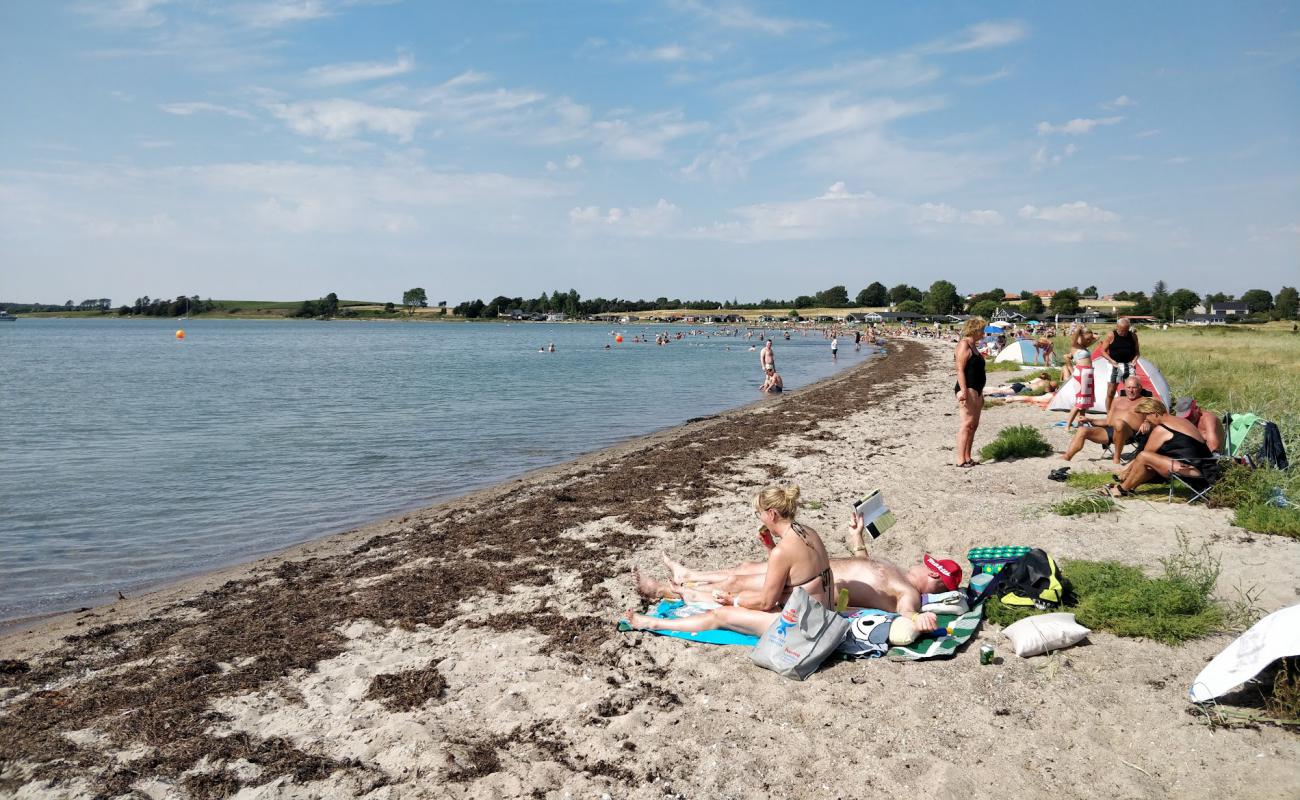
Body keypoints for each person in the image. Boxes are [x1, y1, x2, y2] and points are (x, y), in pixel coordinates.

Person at [648, 511, 961, 633]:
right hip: (815, 571)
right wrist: (857, 537)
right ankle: (688, 574)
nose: (919, 563)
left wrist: (917, 619)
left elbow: (907, 613)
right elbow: (866, 565)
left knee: (739, 584)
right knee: (744, 570)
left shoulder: (910, 594)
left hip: (814, 585)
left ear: (932, 576)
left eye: (926, 564)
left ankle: (676, 589)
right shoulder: (898, 575)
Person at [623, 485, 833, 637]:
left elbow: (767, 603)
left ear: (772, 514)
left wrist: (734, 602)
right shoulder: (808, 533)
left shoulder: (783, 551)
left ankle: (653, 623)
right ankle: (690, 592)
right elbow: (790, 574)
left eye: (759, 513)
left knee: (721, 615)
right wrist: (770, 547)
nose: (759, 518)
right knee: (743, 594)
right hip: (821, 611)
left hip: (803, 626)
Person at [1105, 398, 1213, 496]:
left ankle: (1122, 489)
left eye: (1146, 416)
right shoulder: (1182, 421)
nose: (1146, 420)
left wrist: (1126, 471)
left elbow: (1143, 457)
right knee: (1151, 463)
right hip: (1207, 468)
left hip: (1193, 470)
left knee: (1144, 456)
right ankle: (1129, 486)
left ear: (1155, 414)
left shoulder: (1162, 430)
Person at [1063, 375, 1149, 463]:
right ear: (1125, 388)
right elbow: (1108, 421)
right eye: (1128, 387)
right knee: (1082, 430)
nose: (1131, 390)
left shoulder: (1146, 401)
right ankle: (1067, 457)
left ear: (1140, 388)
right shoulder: (1117, 400)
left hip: (1131, 434)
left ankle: (1116, 458)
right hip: (1111, 431)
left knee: (1119, 423)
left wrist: (1147, 422)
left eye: (1134, 387)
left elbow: (1157, 419)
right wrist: (1090, 420)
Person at [953, 316, 986, 468]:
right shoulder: (963, 344)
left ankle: (968, 457)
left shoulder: (974, 346)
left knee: (974, 425)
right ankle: (961, 459)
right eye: (982, 329)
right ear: (974, 329)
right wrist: (964, 391)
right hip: (968, 387)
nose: (983, 333)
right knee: (966, 424)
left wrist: (981, 393)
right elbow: (959, 369)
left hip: (978, 389)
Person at [1098, 318, 1140, 409]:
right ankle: (1109, 414)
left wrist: (1135, 359)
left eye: (1126, 330)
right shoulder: (1111, 335)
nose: (1124, 333)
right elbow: (1103, 351)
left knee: (1132, 390)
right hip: (1115, 365)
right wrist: (1111, 360)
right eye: (1122, 330)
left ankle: (1128, 412)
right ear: (1117, 327)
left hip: (1129, 365)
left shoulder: (1133, 336)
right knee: (1111, 391)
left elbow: (1137, 352)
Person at [1063, 328, 1097, 429]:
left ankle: (1081, 423)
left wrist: (1088, 335)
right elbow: (1074, 337)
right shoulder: (1075, 346)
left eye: (1089, 339)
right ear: (1080, 337)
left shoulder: (1084, 346)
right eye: (1087, 339)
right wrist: (1079, 329)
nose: (1089, 341)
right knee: (1080, 401)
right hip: (1082, 373)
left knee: (1085, 401)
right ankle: (1067, 425)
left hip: (1088, 373)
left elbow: (1096, 337)